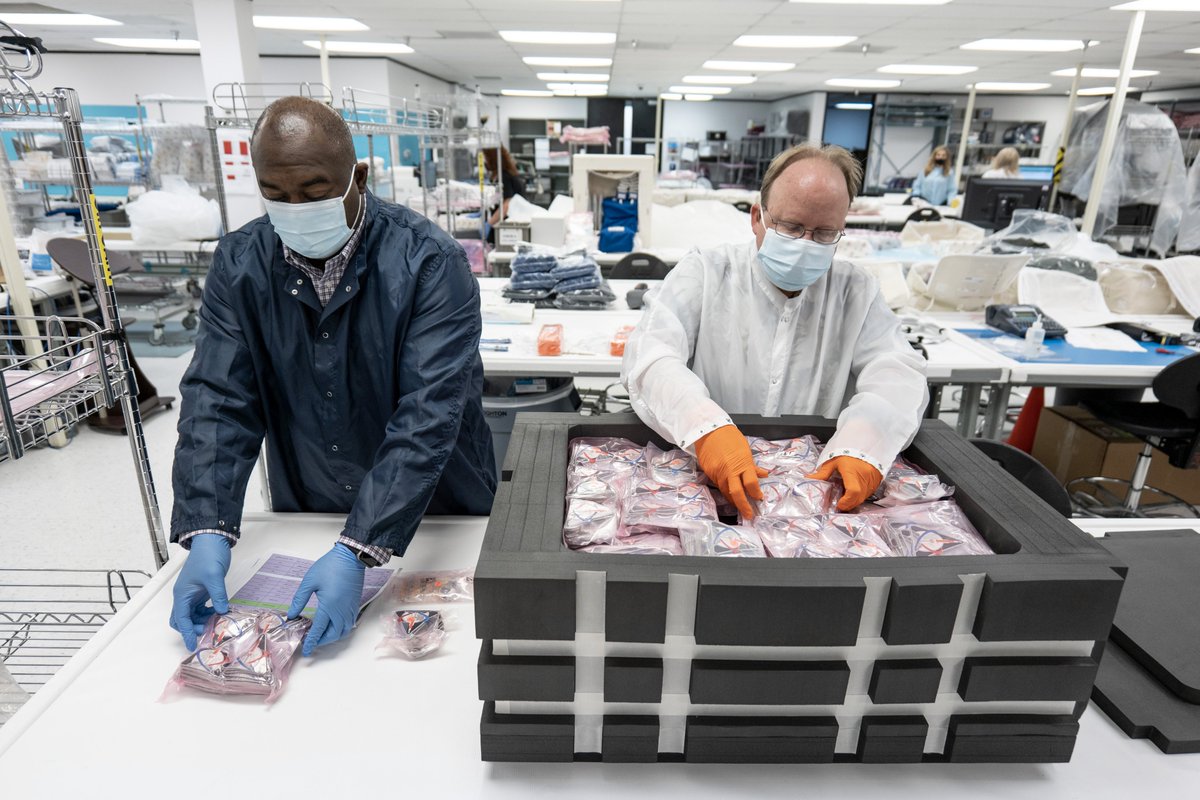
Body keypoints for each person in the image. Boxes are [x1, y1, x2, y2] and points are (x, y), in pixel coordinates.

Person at [169, 96, 496, 657]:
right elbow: (218, 399)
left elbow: (429, 413)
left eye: (315, 191)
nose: (295, 207)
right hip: (313, 503)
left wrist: (360, 547)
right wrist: (207, 528)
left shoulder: (430, 263)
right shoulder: (241, 263)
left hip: (438, 512)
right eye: (276, 194)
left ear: (357, 177)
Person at [621, 143, 928, 519]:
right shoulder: (706, 272)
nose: (805, 245)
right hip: (703, 481)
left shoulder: (855, 291)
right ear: (757, 217)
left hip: (811, 493)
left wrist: (863, 446)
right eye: (791, 227)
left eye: (824, 234)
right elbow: (651, 356)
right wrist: (704, 428)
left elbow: (897, 372)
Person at [481, 145, 525, 243]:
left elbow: (506, 205)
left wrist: (489, 224)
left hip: (507, 228)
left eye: (485, 157)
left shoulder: (504, 176)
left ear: (492, 158)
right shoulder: (503, 173)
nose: (484, 161)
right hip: (505, 225)